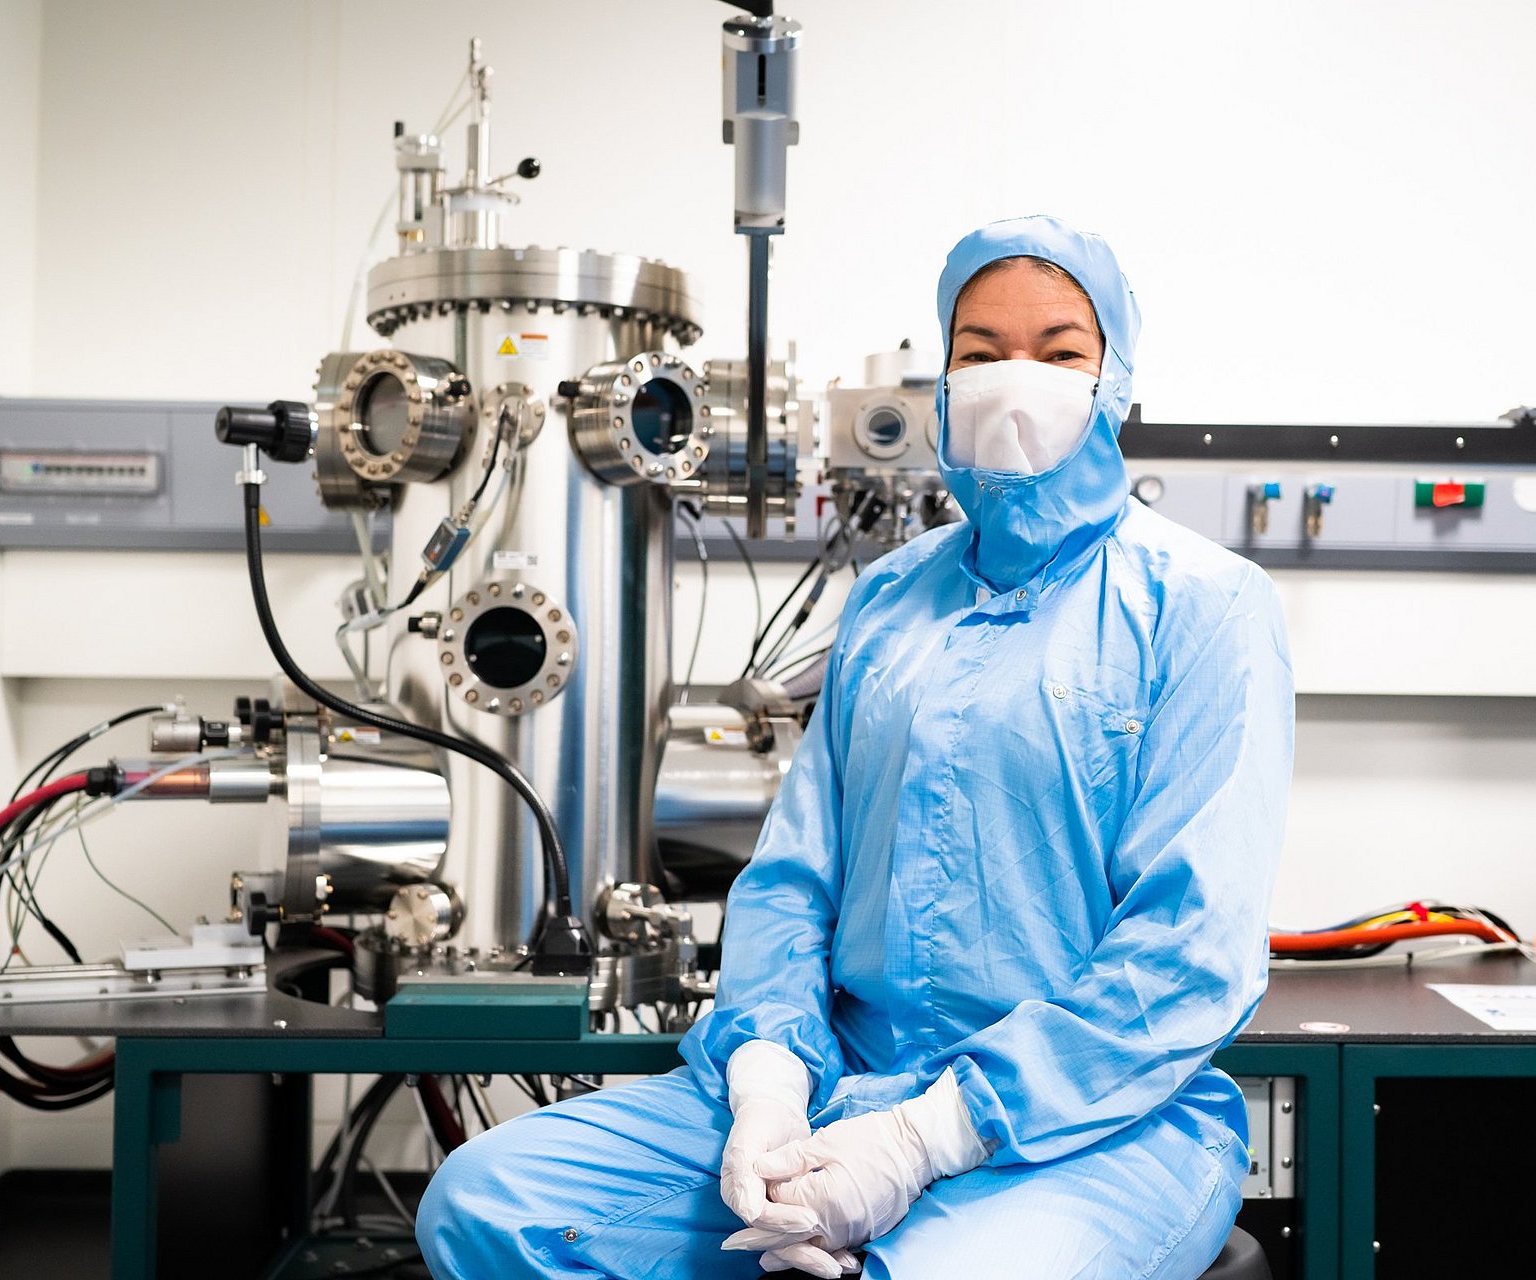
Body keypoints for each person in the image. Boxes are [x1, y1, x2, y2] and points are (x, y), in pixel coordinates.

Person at [417, 214, 1294, 1280]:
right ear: (941, 376)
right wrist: (771, 1078)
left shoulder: (1204, 605)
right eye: (981, 353)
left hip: (1095, 1123)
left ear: (1116, 381)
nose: (1018, 380)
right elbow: (794, 878)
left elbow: (1187, 951)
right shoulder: (888, 599)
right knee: (486, 1205)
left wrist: (927, 1134)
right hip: (841, 1081)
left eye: (1061, 352)